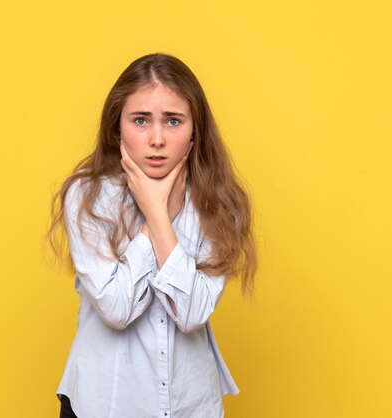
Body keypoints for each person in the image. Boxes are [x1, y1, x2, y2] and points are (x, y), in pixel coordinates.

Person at [46, 52, 257, 418]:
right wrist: (157, 216)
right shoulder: (88, 196)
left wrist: (159, 215)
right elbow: (116, 308)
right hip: (103, 405)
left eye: (173, 121)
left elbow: (192, 314)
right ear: (117, 127)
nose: (157, 139)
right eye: (141, 120)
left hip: (189, 406)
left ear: (195, 128)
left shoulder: (219, 204)